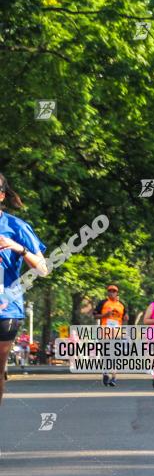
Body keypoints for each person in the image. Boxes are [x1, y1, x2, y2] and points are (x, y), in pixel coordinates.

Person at [0, 173, 47, 405]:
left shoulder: (16, 226)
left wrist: (17, 247)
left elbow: (43, 268)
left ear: (1, 196)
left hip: (5, 309)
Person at [92, 284, 126, 387]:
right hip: (105, 334)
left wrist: (126, 318)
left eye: (114, 291)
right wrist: (104, 316)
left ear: (117, 293)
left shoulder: (122, 304)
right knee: (106, 355)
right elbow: (95, 316)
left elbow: (125, 316)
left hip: (117, 334)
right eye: (110, 291)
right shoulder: (102, 303)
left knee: (115, 355)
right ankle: (106, 373)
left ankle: (114, 377)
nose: (112, 292)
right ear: (108, 292)